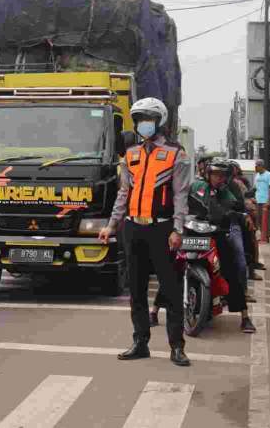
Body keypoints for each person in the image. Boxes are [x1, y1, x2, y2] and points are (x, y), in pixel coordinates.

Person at [98, 97, 191, 367]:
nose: (143, 125)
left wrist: (177, 229)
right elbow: (123, 194)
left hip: (162, 229)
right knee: (136, 290)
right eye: (139, 120)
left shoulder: (176, 153)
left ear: (159, 121)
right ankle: (140, 342)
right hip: (133, 228)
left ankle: (177, 347)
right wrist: (112, 225)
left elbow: (181, 195)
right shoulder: (130, 154)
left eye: (147, 119)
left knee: (171, 289)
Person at [189, 158, 257, 333]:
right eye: (215, 175)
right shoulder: (197, 187)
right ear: (208, 174)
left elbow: (233, 207)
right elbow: (183, 203)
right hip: (193, 234)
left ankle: (245, 316)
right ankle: (155, 310)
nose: (219, 178)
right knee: (172, 266)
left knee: (231, 269)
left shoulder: (226, 191)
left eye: (222, 175)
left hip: (216, 234)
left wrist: (240, 214)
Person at [254, 159, 270, 243]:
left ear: (261, 166)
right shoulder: (257, 176)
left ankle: (266, 237)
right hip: (258, 200)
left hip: (266, 200)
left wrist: (268, 200)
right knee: (259, 219)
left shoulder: (268, 175)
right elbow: (255, 188)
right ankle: (263, 235)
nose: (255, 168)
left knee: (266, 219)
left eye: (257, 166)